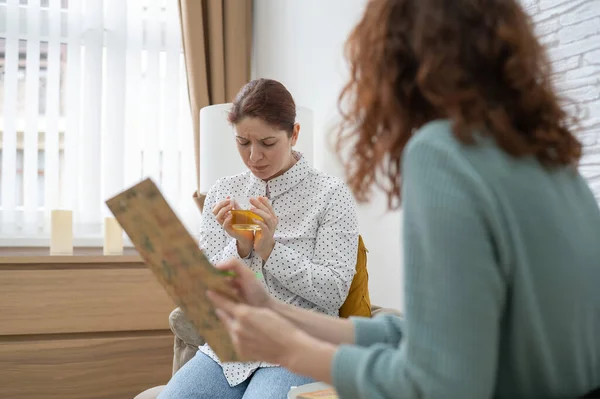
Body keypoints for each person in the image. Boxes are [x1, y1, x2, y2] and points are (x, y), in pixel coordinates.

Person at [206, 0, 600, 398]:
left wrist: (288, 347)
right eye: (243, 143)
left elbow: (439, 384)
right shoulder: (552, 162)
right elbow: (420, 334)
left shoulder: (443, 153)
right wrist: (275, 311)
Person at [157, 78, 359, 399]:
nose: (254, 157)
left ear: (294, 134)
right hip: (230, 347)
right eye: (242, 142)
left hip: (297, 343)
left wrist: (270, 250)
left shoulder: (330, 195)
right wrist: (239, 247)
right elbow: (206, 290)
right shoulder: (223, 192)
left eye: (267, 143)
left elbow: (332, 292)